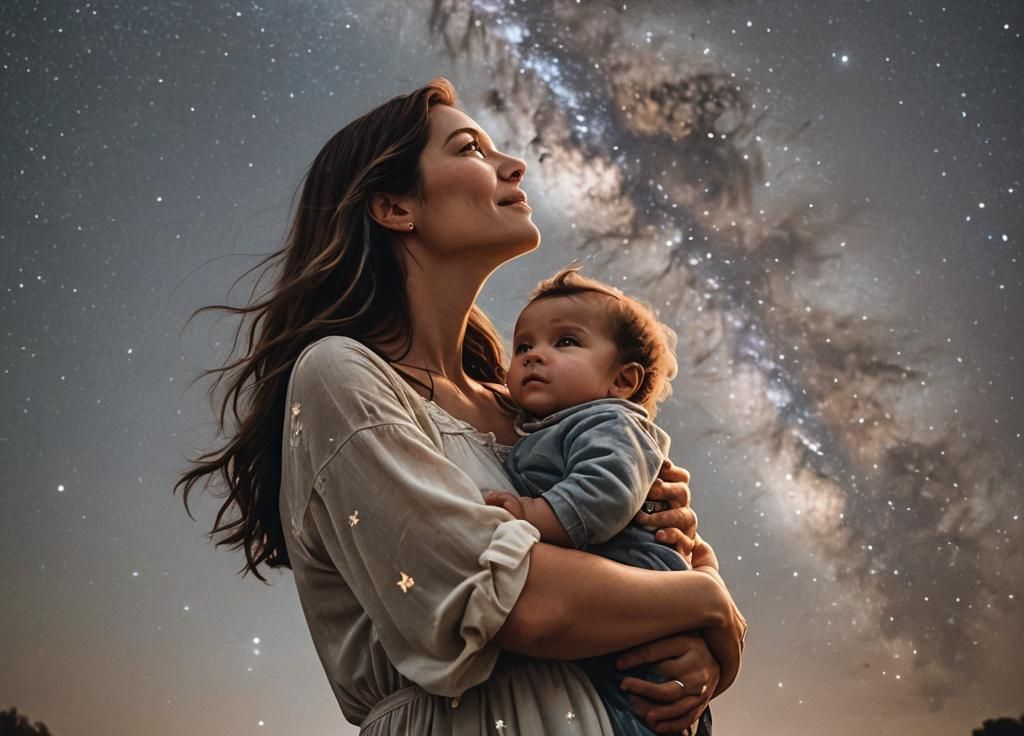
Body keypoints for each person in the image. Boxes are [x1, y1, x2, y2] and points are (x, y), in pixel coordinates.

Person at [175, 78, 746, 736]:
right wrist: (707, 603)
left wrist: (705, 652)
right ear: (394, 206)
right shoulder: (342, 377)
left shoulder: (544, 415)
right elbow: (521, 604)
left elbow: (668, 561)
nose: (515, 164)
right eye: (472, 148)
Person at [483, 264, 716, 736]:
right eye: (524, 346)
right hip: (606, 619)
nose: (533, 356)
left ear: (623, 381)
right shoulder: (546, 426)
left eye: (565, 342)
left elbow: (605, 492)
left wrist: (532, 514)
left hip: (641, 613)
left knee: (642, 713)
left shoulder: (610, 421)